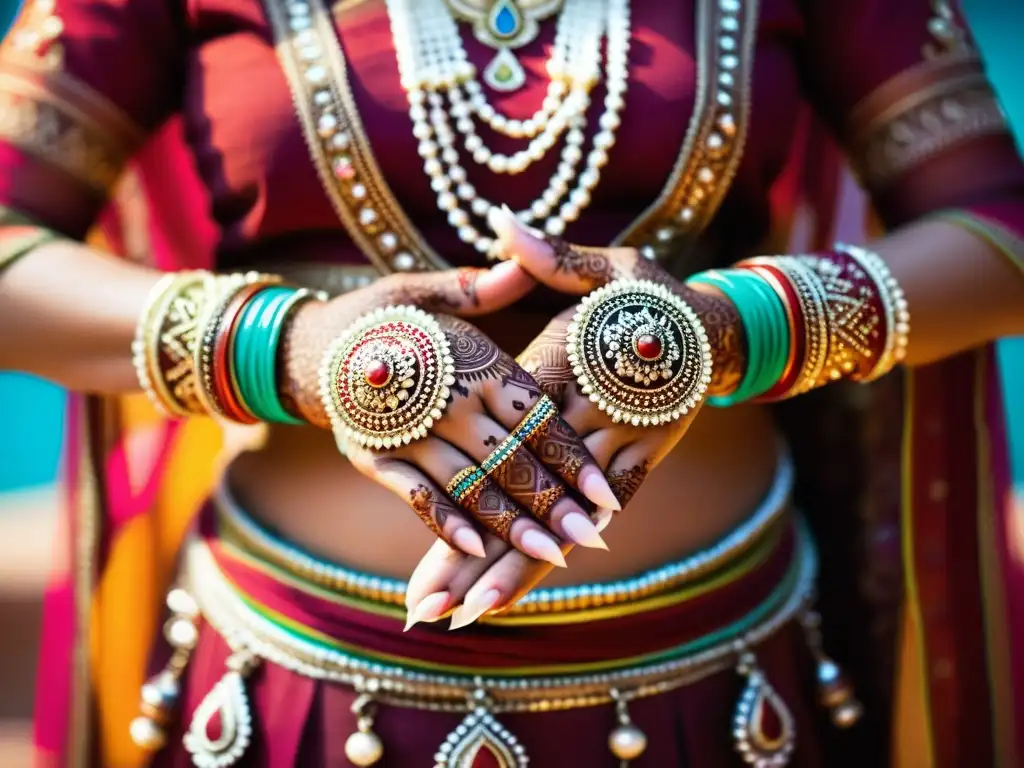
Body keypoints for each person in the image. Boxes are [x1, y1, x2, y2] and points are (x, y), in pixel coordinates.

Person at [1, 0, 1022, 765]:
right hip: (296, 688)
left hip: (722, 679)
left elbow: (997, 235)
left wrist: (732, 329)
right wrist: (291, 350)